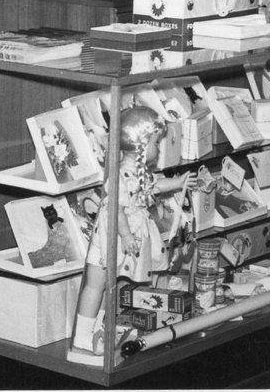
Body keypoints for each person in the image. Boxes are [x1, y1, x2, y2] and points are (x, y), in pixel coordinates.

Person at [68, 106, 194, 360]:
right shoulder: (120, 175)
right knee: (97, 284)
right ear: (141, 144)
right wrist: (125, 236)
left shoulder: (139, 172)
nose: (158, 149)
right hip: (112, 236)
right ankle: (82, 334)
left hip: (130, 235)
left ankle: (102, 329)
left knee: (111, 285)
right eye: (156, 142)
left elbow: (155, 185)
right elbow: (116, 208)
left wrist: (178, 183)